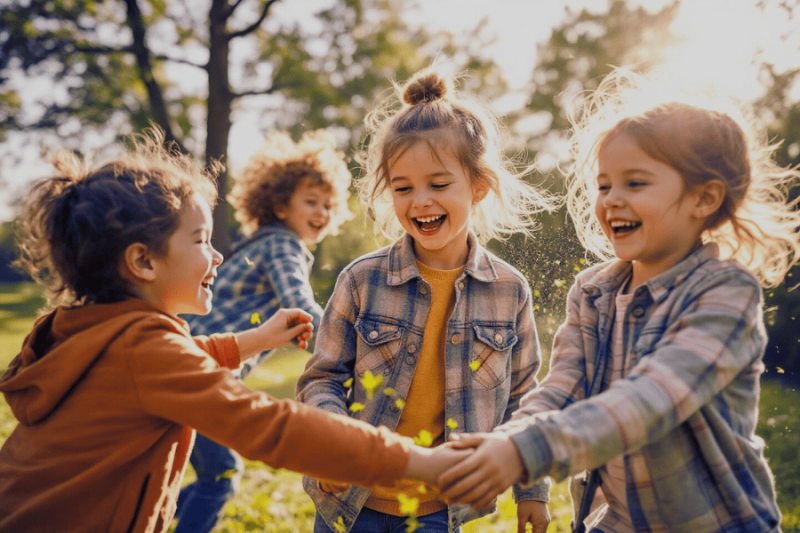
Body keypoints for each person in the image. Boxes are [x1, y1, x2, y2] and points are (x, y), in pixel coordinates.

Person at [0, 130, 469, 533]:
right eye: (201, 240)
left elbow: (182, 355)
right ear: (143, 261)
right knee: (221, 473)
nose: (218, 256)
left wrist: (253, 341)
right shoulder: (146, 350)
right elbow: (272, 427)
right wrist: (414, 461)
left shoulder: (88, 332)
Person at [437, 68, 800, 533]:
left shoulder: (725, 294)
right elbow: (562, 390)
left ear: (704, 198)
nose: (611, 200)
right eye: (604, 185)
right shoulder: (594, 293)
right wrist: (501, 444)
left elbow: (649, 400)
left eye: (635, 183)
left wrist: (524, 451)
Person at [296, 67, 556, 533]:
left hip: (438, 509)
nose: (420, 202)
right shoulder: (362, 280)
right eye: (403, 188)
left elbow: (522, 397)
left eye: (439, 185)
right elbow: (321, 379)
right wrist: (333, 447)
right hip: (351, 503)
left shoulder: (509, 290)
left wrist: (531, 490)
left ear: (478, 187)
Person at [174, 129, 353, 533]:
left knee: (209, 474)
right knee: (219, 475)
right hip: (202, 374)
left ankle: (154, 516)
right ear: (279, 204)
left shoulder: (264, 244)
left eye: (328, 204)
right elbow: (302, 309)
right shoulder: (281, 247)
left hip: (193, 367)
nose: (322, 212)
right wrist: (356, 350)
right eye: (311, 201)